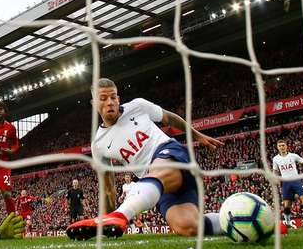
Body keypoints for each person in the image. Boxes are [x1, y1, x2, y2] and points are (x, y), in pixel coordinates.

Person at [66, 78, 225, 240]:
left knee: (157, 169)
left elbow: (169, 118)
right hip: (157, 186)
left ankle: (122, 214)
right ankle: (232, 218)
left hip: (171, 155)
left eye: (113, 97)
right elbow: (109, 189)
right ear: (94, 104)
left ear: (118, 99)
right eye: (103, 98)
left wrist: (197, 135)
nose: (110, 102)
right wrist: (106, 225)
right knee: (189, 227)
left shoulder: (138, 106)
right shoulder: (98, 145)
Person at [272, 140, 303, 227]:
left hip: (296, 180)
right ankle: (287, 223)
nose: (282, 147)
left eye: (283, 145)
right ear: (277, 147)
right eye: (280, 146)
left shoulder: (293, 156)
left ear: (286, 146)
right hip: (285, 183)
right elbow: (275, 170)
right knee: (287, 205)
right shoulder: (275, 159)